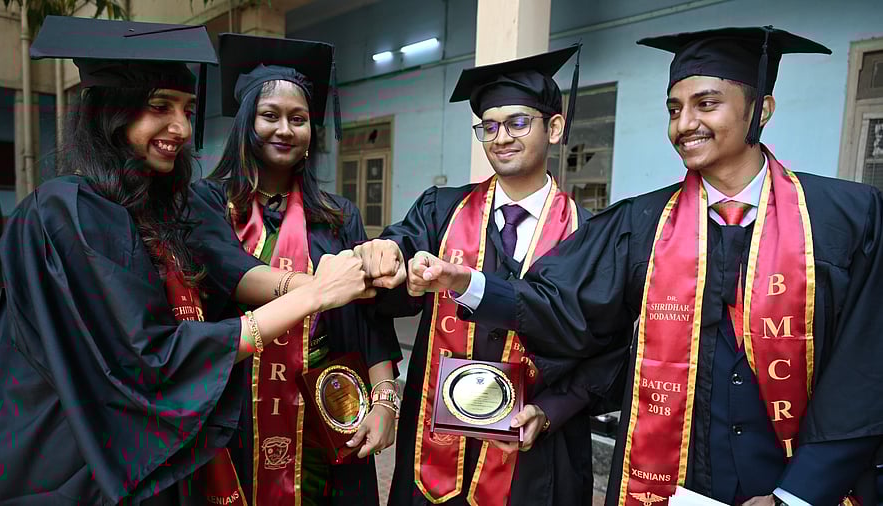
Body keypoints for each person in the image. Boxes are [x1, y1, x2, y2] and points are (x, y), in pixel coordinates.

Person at [404, 26, 883, 505]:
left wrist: (794, 495)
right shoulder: (641, 222)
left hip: (799, 481)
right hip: (672, 479)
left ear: (762, 110)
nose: (684, 123)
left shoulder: (848, 218)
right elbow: (560, 304)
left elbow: (862, 372)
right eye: (674, 109)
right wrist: (467, 284)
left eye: (707, 104)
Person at [0, 16, 371, 505]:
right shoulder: (66, 212)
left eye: (187, 109)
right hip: (76, 459)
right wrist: (313, 293)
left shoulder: (149, 212)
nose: (182, 128)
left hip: (138, 454)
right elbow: (148, 359)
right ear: (110, 112)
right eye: (159, 107)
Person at [356, 46, 623, 506]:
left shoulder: (591, 232)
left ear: (554, 128)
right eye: (489, 126)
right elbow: (396, 272)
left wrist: (552, 410)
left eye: (517, 122)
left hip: (536, 454)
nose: (501, 137)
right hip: (434, 452)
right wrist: (396, 267)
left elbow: (609, 348)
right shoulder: (440, 210)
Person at [189, 33, 402, 506]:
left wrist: (385, 399)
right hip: (237, 412)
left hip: (330, 407)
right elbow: (234, 273)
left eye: (299, 119)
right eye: (270, 116)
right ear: (246, 124)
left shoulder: (338, 214)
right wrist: (324, 287)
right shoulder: (209, 203)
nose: (285, 128)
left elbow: (370, 319)